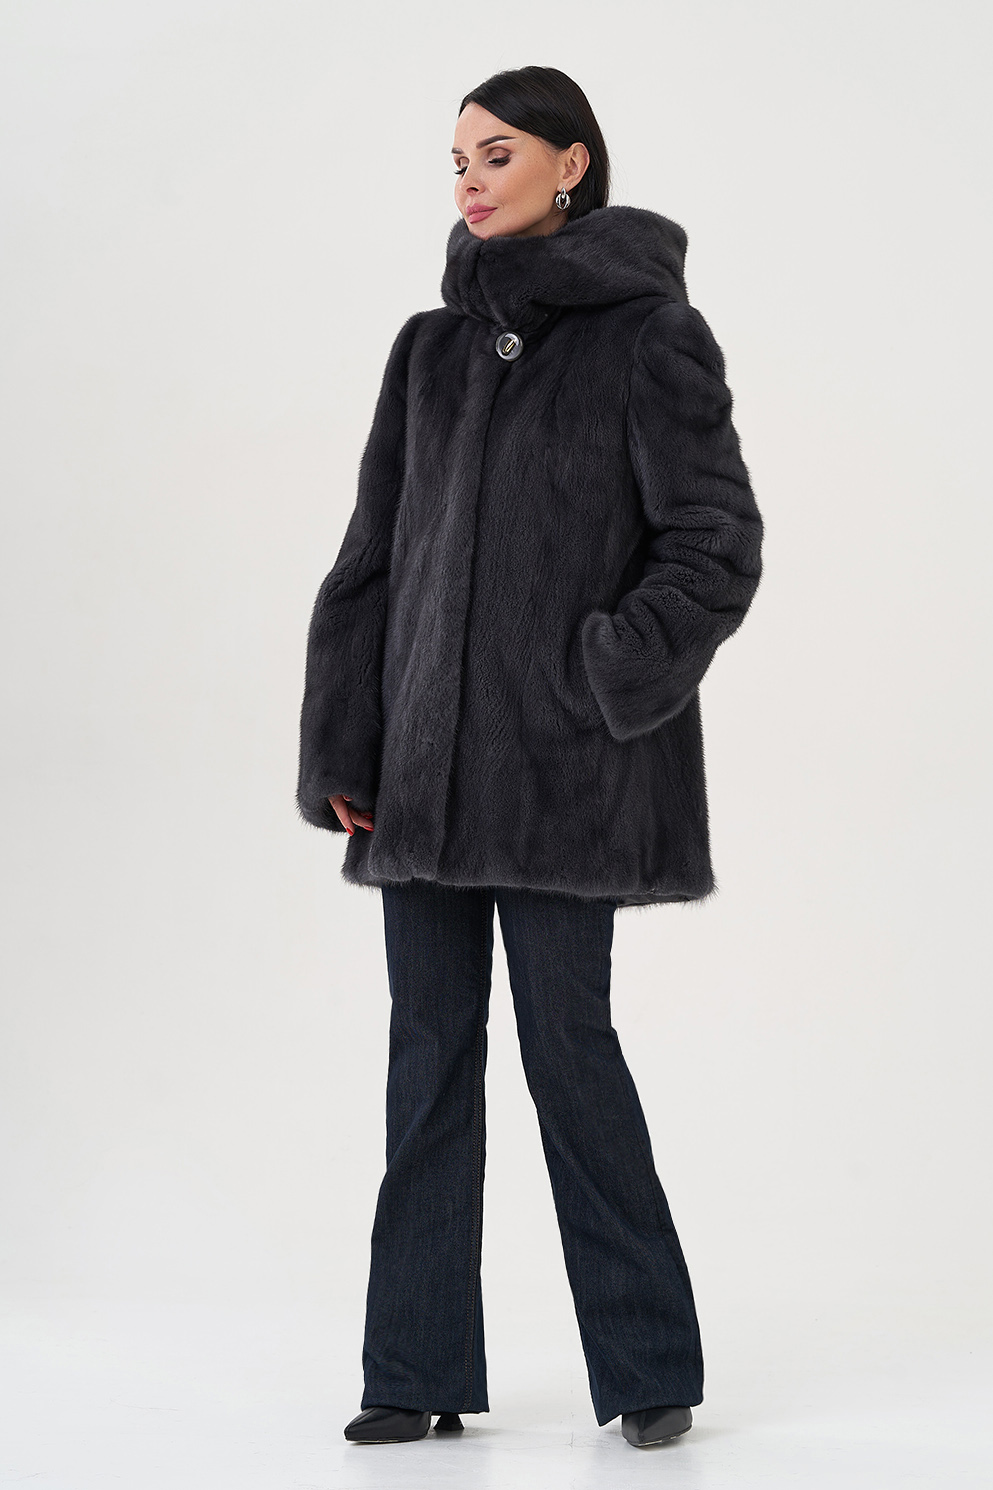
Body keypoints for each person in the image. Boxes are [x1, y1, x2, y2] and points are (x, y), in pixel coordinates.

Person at [296, 65, 764, 1450]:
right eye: (456, 160)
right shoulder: (427, 354)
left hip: (567, 781)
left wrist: (603, 674)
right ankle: (412, 1367)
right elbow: (371, 560)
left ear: (572, 164)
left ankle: (650, 1366)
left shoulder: (651, 339)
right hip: (419, 780)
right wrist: (348, 740)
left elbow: (714, 543)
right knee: (426, 1060)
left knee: (572, 1054)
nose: (469, 180)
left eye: (497, 154)